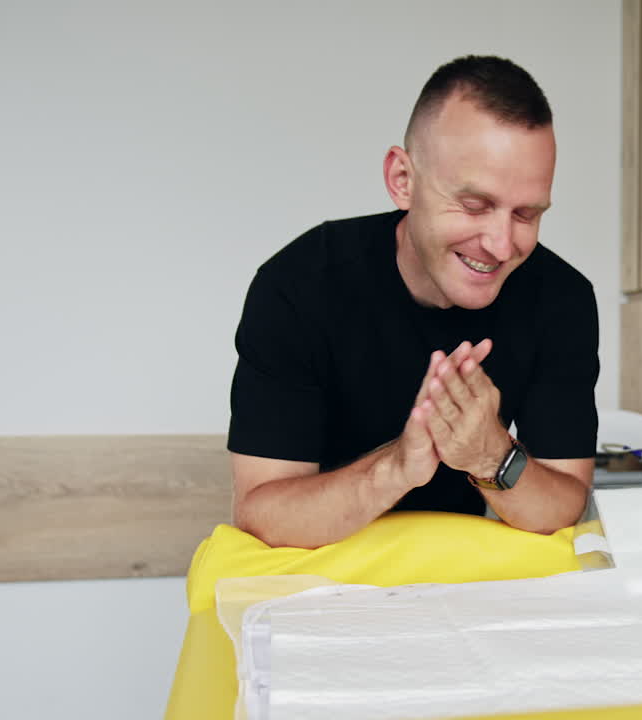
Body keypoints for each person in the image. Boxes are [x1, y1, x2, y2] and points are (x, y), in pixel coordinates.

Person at [226, 55, 599, 549]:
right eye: (474, 205)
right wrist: (399, 467)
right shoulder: (299, 286)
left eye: (526, 214)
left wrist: (492, 456)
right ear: (403, 180)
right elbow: (261, 514)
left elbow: (562, 509)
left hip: (455, 580)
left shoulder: (562, 299)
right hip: (311, 580)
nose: (502, 245)